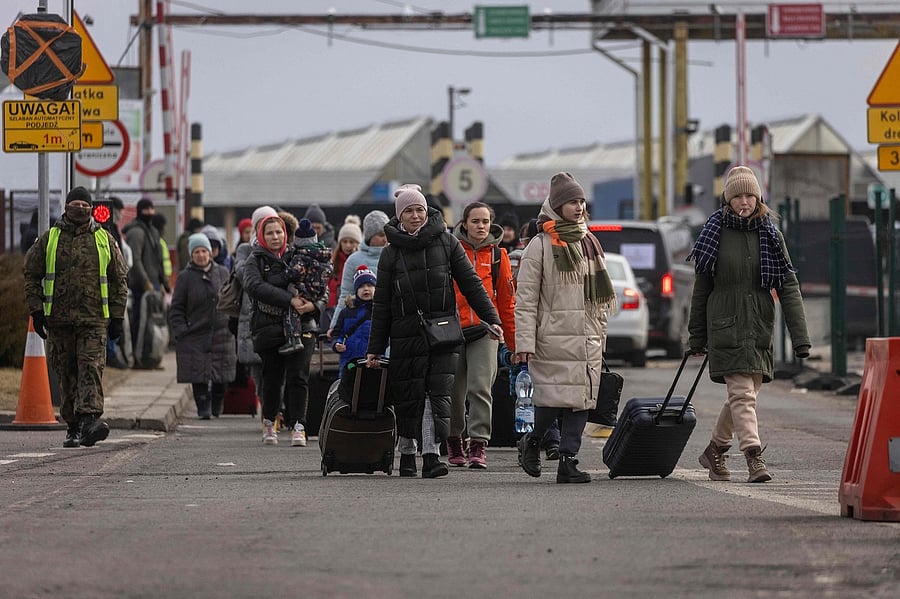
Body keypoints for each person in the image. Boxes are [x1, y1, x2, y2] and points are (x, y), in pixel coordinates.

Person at [365, 184, 504, 479]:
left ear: (427, 212)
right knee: (408, 394)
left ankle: (431, 455)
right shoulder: (390, 253)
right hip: (405, 334)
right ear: (399, 216)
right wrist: (375, 348)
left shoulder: (446, 242)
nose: (415, 216)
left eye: (420, 210)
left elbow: (471, 283)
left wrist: (492, 319)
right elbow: (382, 303)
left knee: (436, 394)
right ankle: (405, 454)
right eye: (408, 211)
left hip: (442, 331)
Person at [688, 165, 811, 484]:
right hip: (725, 325)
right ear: (727, 201)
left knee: (744, 395)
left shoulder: (771, 234)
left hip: (759, 325)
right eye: (737, 196)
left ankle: (714, 450)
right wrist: (696, 337)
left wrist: (800, 337)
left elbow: (788, 285)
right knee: (743, 394)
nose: (744, 202)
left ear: (759, 198)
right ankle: (754, 456)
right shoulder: (713, 233)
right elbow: (701, 290)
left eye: (750, 195)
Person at [515, 172, 615, 484]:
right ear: (557, 206)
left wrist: (601, 333)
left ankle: (568, 461)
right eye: (572, 201)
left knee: (581, 401)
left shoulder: (589, 242)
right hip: (552, 337)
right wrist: (524, 342)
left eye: (582, 201)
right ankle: (532, 441)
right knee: (550, 400)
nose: (578, 207)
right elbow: (526, 298)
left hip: (587, 337)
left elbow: (597, 299)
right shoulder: (540, 245)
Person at [23, 186, 129, 448]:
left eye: (85, 205)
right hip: (58, 321)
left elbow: (119, 279)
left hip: (94, 321)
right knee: (66, 373)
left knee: (91, 369)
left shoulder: (104, 239)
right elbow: (31, 274)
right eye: (75, 204)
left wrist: (117, 317)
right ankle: (72, 425)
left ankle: (90, 421)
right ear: (66, 208)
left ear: (91, 209)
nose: (79, 209)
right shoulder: (50, 239)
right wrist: (36, 310)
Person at [445, 201, 517, 469]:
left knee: (480, 388)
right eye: (475, 221)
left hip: (486, 331)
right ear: (464, 223)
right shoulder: (451, 250)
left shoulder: (499, 256)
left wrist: (512, 343)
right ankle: (454, 440)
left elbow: (507, 302)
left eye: (485, 221)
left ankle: (478, 444)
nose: (480, 226)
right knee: (453, 392)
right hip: (453, 330)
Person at [243, 214, 323, 447]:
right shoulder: (255, 259)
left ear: (285, 234)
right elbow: (255, 286)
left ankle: (299, 425)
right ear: (261, 236)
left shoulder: (300, 254)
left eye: (279, 232)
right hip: (269, 327)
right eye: (269, 233)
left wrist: (314, 306)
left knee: (299, 377)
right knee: (272, 377)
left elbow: (321, 283)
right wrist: (289, 300)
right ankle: (270, 421)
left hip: (303, 325)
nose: (275, 237)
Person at [168, 233, 237, 419]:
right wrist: (182, 330)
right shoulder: (185, 277)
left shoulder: (223, 272)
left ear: (210, 253)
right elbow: (176, 308)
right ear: (191, 255)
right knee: (198, 375)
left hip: (222, 333)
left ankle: (217, 403)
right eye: (197, 251)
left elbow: (232, 299)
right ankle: (203, 406)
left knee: (222, 376)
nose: (201, 255)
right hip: (195, 333)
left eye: (204, 251)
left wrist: (232, 324)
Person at [327, 209, 390, 337]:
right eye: (381, 234)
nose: (385, 238)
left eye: (387, 233)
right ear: (370, 236)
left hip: (391, 323)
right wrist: (334, 326)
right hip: (361, 325)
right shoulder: (353, 260)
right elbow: (345, 295)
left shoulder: (395, 256)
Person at [279, 218, 333, 355]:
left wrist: (285, 273)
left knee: (291, 312)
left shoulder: (300, 256)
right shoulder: (324, 255)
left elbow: (293, 273)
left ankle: (294, 339)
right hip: (318, 291)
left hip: (304, 291)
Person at [123, 198, 169, 353]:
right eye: (146, 209)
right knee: (140, 321)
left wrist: (161, 283)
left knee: (153, 322)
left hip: (154, 283)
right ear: (139, 211)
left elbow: (158, 259)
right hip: (140, 285)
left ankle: (150, 354)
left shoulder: (153, 231)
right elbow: (135, 260)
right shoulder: (136, 232)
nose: (149, 212)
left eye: (151, 209)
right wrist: (145, 282)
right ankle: (138, 354)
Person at [331, 265, 376, 374]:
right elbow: (337, 334)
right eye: (361, 286)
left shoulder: (380, 312)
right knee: (348, 387)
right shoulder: (346, 312)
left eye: (369, 285)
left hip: (373, 362)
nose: (366, 289)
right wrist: (337, 344)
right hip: (350, 360)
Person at [325, 218, 362, 331]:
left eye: (351, 242)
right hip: (332, 308)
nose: (347, 245)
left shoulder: (360, 261)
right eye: (344, 241)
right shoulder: (332, 262)